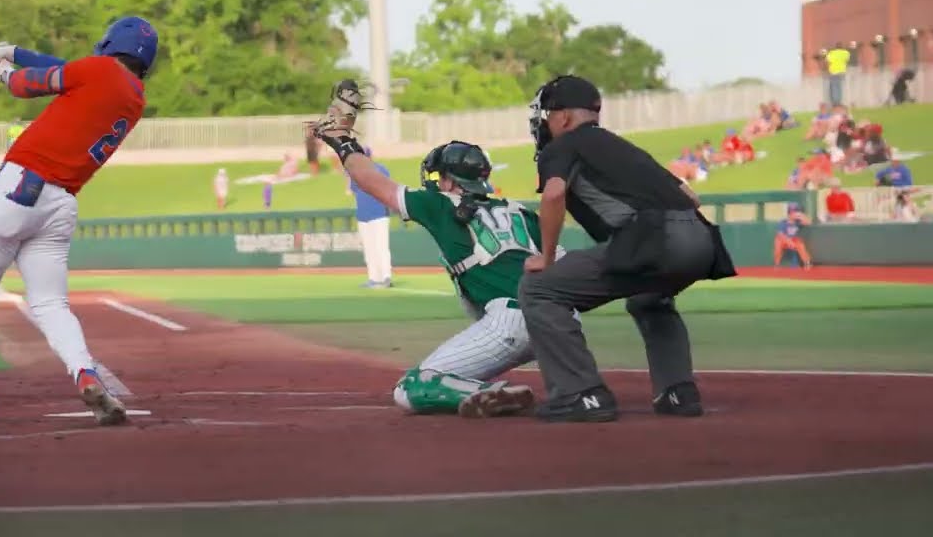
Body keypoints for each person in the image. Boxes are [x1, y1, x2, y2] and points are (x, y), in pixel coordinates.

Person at [0, 16, 157, 427]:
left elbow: (24, 86)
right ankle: (85, 372)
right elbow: (67, 71)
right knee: (51, 303)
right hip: (59, 206)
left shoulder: (97, 71)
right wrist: (12, 52)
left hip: (16, 189)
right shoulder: (133, 96)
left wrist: (4, 73)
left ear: (109, 43)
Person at [309, 81, 544, 418]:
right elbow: (563, 267)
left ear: (449, 181)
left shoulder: (442, 203)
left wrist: (342, 141)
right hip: (558, 321)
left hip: (510, 322)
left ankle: (490, 394)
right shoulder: (521, 212)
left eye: (439, 177)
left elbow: (371, 180)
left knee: (412, 389)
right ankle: (582, 390)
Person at [518, 75, 735, 423]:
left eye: (546, 115)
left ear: (563, 117)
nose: (544, 123)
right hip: (703, 239)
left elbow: (554, 194)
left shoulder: (561, 147)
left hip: (658, 239)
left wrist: (546, 256)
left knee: (540, 289)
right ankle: (678, 391)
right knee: (649, 297)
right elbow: (691, 197)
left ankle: (581, 394)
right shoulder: (623, 146)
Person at [351, 147, 393, 288]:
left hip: (379, 213)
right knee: (369, 249)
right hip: (363, 215)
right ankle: (374, 277)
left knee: (381, 247)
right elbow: (354, 190)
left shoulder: (380, 169)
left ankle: (386, 276)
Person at [773, 204, 813, 268]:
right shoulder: (783, 222)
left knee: (800, 244)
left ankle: (807, 263)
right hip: (784, 240)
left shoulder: (798, 222)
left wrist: (802, 216)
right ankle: (776, 264)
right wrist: (788, 241)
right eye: (792, 212)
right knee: (778, 242)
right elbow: (780, 234)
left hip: (794, 240)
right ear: (789, 213)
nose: (794, 214)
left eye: (795, 212)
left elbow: (809, 222)